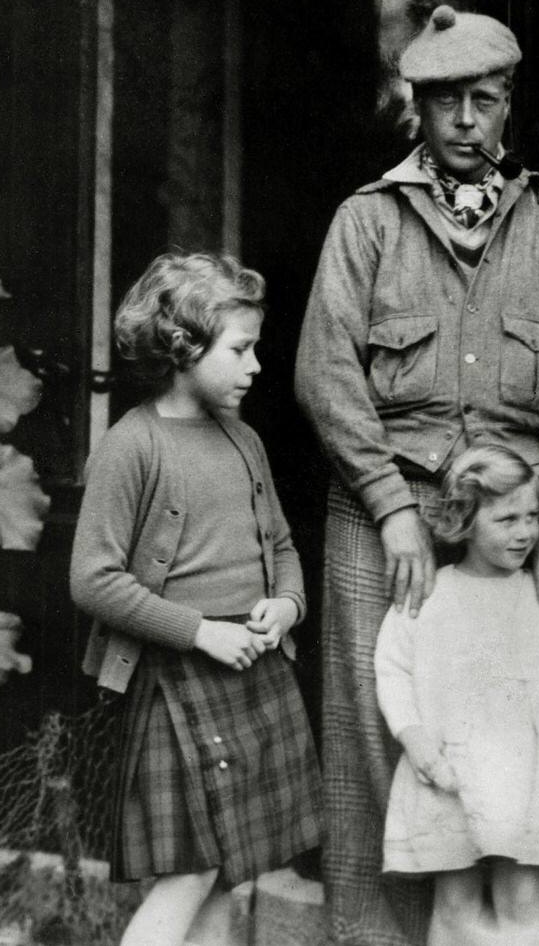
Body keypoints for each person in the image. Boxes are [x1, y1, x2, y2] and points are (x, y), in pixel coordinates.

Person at [295, 4, 539, 946]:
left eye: (484, 100)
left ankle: (521, 936)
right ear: (418, 110)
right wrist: (392, 506)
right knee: (379, 729)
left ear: (509, 104)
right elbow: (327, 374)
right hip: (383, 511)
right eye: (446, 104)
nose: (467, 122)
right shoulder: (369, 223)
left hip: (520, 522)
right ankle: (378, 938)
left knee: (524, 725)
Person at [70, 253, 321, 946]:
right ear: (184, 349)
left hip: (253, 671)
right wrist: (201, 631)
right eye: (240, 350)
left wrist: (289, 605)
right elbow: (93, 579)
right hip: (179, 681)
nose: (256, 367)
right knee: (186, 873)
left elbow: (284, 547)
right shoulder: (132, 447)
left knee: (222, 874)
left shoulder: (244, 440)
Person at [374, 445, 539, 946]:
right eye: (506, 520)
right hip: (450, 775)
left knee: (520, 905)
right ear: (465, 521)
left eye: (532, 518)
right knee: (455, 907)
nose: (525, 533)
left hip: (531, 777)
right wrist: (418, 745)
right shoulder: (430, 594)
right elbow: (392, 671)